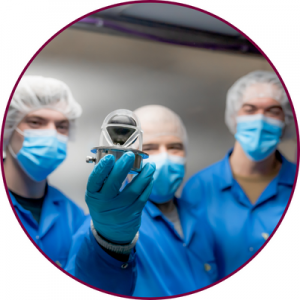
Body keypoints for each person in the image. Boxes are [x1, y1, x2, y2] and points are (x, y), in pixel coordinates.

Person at [2, 76, 155, 295]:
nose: (52, 133)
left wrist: (111, 243)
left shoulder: (74, 216)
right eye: (36, 122)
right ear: (7, 128)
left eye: (61, 126)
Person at [74, 105, 218, 297]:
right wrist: (110, 244)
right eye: (150, 148)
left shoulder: (202, 219)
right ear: (129, 156)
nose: (165, 157)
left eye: (174, 147)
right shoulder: (101, 227)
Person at [182, 70, 297, 279]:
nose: (260, 119)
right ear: (234, 117)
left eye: (272, 111)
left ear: (286, 120)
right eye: (250, 109)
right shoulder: (200, 187)